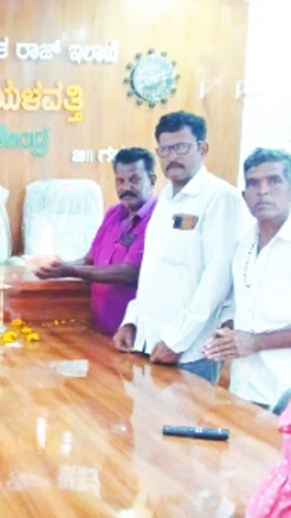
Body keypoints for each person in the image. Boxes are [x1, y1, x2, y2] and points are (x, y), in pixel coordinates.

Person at [113, 111, 242, 383]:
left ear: (202, 149)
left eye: (181, 147)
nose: (172, 157)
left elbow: (217, 277)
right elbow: (152, 270)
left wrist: (177, 340)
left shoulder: (220, 197)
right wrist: (131, 321)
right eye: (165, 150)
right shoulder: (166, 199)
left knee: (185, 412)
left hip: (190, 352)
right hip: (149, 342)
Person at [203, 148, 291, 412]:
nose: (262, 191)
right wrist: (227, 331)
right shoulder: (243, 244)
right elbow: (234, 304)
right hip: (243, 390)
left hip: (284, 394)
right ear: (244, 196)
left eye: (274, 181)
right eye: (253, 183)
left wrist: (256, 342)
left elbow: (253, 340)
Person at [36, 147, 157, 335]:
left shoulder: (157, 218)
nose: (126, 187)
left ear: (152, 180)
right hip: (99, 329)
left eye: (134, 180)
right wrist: (56, 266)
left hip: (134, 333)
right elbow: (90, 261)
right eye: (120, 181)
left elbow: (130, 272)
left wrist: (70, 270)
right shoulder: (114, 213)